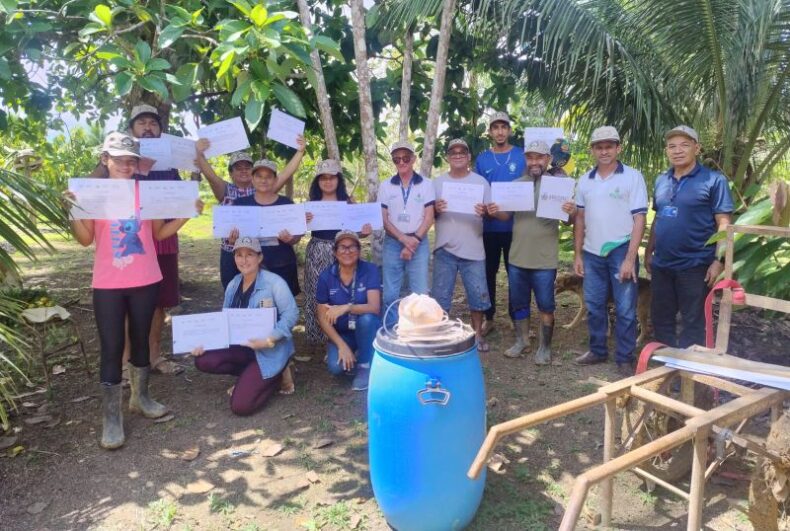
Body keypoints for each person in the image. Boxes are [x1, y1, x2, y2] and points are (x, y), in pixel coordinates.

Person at [66, 132, 202, 449]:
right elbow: (85, 240)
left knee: (141, 340)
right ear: (105, 160)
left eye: (131, 160)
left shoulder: (146, 192)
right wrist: (72, 209)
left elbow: (159, 234)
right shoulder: (93, 194)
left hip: (146, 278)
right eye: (119, 160)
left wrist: (187, 213)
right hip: (108, 284)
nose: (126, 166)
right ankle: (111, 417)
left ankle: (140, 398)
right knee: (112, 346)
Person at [487, 140, 576, 364]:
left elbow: (568, 221)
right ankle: (522, 341)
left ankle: (545, 348)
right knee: (519, 303)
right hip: (518, 257)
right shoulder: (517, 185)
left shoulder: (558, 186)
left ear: (548, 159)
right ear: (525, 160)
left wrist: (571, 211)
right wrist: (494, 211)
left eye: (539, 157)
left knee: (546, 305)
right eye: (530, 157)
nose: (534, 162)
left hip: (544, 260)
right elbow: (506, 216)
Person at [645, 125, 733, 348]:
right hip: (662, 264)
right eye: (672, 146)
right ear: (667, 151)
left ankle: (687, 367)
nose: (678, 150)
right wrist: (648, 252)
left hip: (696, 265)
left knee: (693, 321)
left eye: (684, 145)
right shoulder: (661, 180)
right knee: (660, 317)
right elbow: (658, 218)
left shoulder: (714, 180)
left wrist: (719, 260)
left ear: (697, 148)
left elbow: (724, 223)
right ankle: (666, 362)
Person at [192, 237, 299, 415]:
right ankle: (251, 376)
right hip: (243, 347)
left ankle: (277, 375)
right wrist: (205, 343)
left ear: (260, 257)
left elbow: (291, 314)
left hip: (269, 350)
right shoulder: (233, 284)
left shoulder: (274, 283)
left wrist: (269, 339)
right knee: (203, 360)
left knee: (240, 406)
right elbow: (224, 322)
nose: (244, 260)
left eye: (249, 254)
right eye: (239, 255)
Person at [572, 126, 648, 376]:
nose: (604, 151)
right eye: (599, 147)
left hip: (620, 249)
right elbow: (580, 218)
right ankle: (597, 350)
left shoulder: (632, 177)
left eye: (609, 147)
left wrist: (630, 258)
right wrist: (578, 254)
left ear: (618, 148)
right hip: (592, 252)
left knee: (625, 308)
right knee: (594, 305)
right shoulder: (585, 180)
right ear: (592, 150)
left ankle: (625, 357)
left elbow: (639, 218)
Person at [125, 104, 189, 375]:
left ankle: (154, 356)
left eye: (153, 123)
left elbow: (181, 198)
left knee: (160, 302)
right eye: (142, 123)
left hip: (164, 242)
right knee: (127, 302)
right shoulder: (121, 163)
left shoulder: (170, 165)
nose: (148, 128)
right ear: (131, 130)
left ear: (161, 130)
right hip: (131, 241)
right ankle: (126, 362)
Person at [196, 136, 305, 288]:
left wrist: (300, 151)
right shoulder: (225, 190)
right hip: (231, 250)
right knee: (234, 290)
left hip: (259, 252)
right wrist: (199, 154)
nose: (243, 171)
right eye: (238, 168)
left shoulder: (262, 188)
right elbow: (210, 176)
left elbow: (286, 173)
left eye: (247, 167)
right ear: (231, 173)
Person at [432, 139, 492, 351]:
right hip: (445, 248)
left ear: (468, 157)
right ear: (447, 157)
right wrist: (436, 209)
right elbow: (427, 215)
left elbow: (491, 212)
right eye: (453, 152)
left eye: (462, 152)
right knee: (441, 296)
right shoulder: (437, 183)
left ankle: (477, 335)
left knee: (478, 295)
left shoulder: (481, 183)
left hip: (473, 248)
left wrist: (485, 211)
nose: (457, 155)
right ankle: (440, 335)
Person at [303, 160, 372, 346]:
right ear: (318, 181)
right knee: (317, 292)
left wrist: (363, 232)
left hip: (343, 252)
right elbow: (299, 230)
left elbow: (356, 232)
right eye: (323, 178)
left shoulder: (348, 203)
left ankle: (345, 335)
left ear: (338, 180)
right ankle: (319, 337)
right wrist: (302, 221)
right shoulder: (311, 204)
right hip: (317, 251)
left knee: (343, 291)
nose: (328, 181)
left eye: (332, 177)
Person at [474, 112, 525, 336]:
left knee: (516, 274)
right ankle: (489, 317)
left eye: (504, 127)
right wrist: (484, 209)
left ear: (510, 130)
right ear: (490, 132)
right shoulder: (482, 158)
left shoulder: (522, 155)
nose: (500, 131)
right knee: (488, 273)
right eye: (495, 127)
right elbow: (477, 190)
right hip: (489, 227)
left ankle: (516, 317)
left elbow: (530, 185)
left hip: (517, 227)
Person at [316, 231, 382, 391]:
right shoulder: (326, 276)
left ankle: (365, 365)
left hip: (366, 329)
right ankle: (355, 352)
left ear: (359, 251)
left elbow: (374, 307)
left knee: (367, 319)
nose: (347, 251)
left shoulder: (370, 270)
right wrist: (341, 346)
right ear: (335, 252)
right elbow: (322, 317)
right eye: (342, 247)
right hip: (343, 333)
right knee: (335, 368)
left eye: (352, 247)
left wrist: (346, 307)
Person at [378, 141, 435, 323]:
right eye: (397, 159)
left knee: (420, 293)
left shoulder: (426, 184)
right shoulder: (385, 186)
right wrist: (404, 240)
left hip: (419, 241)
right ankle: (391, 329)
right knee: (390, 293)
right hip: (393, 242)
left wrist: (413, 242)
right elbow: (384, 219)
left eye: (405, 158)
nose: (401, 162)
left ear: (413, 159)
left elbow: (429, 217)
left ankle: (418, 332)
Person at [230, 159, 302, 295]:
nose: (264, 180)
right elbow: (232, 239)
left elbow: (297, 237)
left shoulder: (286, 204)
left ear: (275, 180)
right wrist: (233, 241)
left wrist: (291, 239)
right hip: (250, 267)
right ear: (252, 179)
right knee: (253, 303)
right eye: (259, 176)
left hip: (282, 265)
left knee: (283, 303)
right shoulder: (240, 205)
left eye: (268, 177)